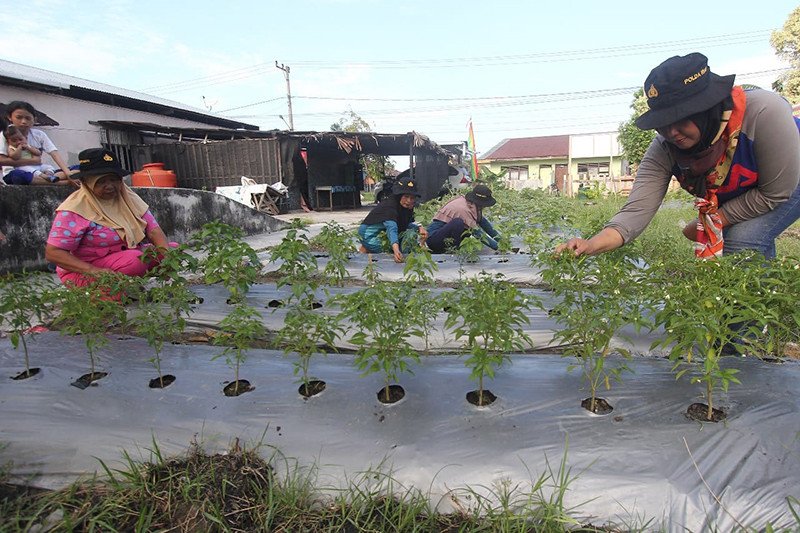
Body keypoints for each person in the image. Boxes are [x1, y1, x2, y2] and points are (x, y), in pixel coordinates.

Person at [556, 53, 800, 260]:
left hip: (789, 180)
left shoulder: (763, 113)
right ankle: (765, 307)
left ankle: (748, 317)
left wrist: (714, 220)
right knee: (751, 242)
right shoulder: (664, 148)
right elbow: (635, 212)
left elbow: (775, 192)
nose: (671, 132)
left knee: (742, 241)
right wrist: (590, 245)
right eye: (662, 124)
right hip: (752, 193)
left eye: (681, 118)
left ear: (708, 108)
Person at [44, 148, 175, 287]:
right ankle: (105, 292)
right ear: (86, 181)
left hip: (122, 259)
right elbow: (53, 253)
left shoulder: (128, 198)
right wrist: (94, 271)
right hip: (85, 270)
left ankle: (129, 287)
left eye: (114, 180)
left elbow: (154, 231)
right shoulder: (74, 209)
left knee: (171, 251)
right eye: (101, 182)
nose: (110, 186)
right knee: (134, 261)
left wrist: (167, 262)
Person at [0, 101, 78, 185]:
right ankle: (62, 182)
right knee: (18, 176)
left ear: (34, 120)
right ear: (9, 117)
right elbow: (2, 160)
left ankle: (52, 178)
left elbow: (54, 153)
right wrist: (33, 161)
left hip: (40, 172)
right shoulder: (5, 134)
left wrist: (67, 173)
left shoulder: (39, 135)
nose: (23, 121)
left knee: (80, 168)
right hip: (17, 172)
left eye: (28, 118)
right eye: (19, 117)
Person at [358, 178, 427, 263]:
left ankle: (365, 249)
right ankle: (367, 247)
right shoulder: (390, 206)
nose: (409, 201)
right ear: (399, 195)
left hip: (381, 232)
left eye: (412, 198)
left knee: (411, 233)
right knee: (396, 250)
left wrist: (419, 228)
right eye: (406, 197)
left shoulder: (406, 207)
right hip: (369, 235)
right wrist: (396, 251)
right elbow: (392, 228)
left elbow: (405, 225)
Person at [426, 183, 502, 253]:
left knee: (465, 229)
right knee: (458, 223)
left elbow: (484, 223)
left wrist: (502, 241)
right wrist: (498, 247)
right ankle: (453, 250)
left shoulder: (472, 205)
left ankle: (453, 248)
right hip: (433, 239)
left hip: (444, 237)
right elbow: (477, 233)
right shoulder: (463, 209)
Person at [2, 125, 72, 185]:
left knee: (48, 167)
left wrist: (29, 148)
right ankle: (47, 178)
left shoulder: (28, 146)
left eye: (20, 139)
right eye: (14, 141)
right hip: (24, 168)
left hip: (37, 166)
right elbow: (14, 156)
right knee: (22, 173)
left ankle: (49, 175)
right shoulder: (11, 148)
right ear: (8, 142)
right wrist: (19, 148)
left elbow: (38, 153)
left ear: (25, 138)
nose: (18, 142)